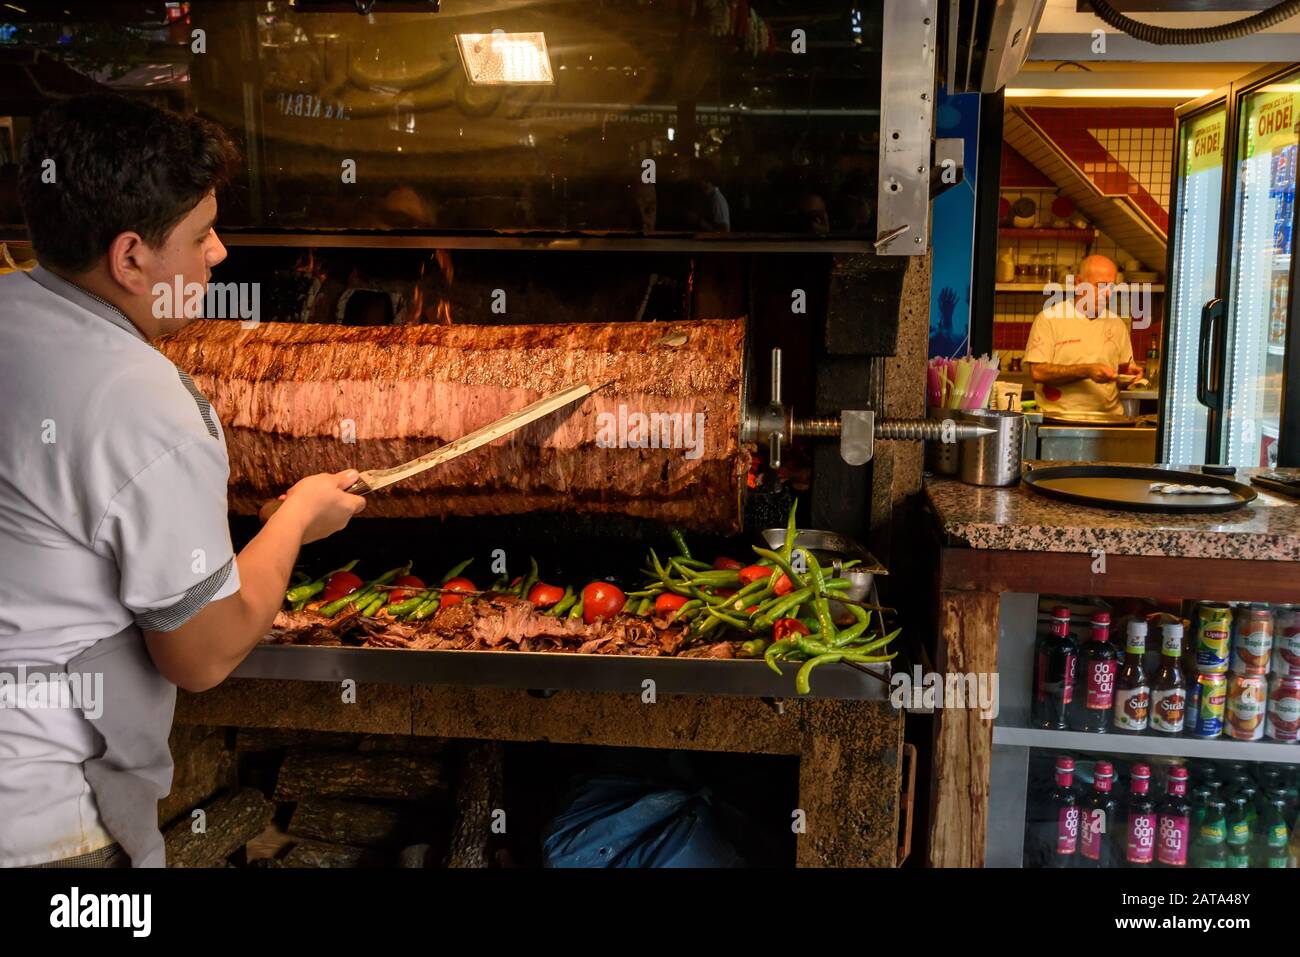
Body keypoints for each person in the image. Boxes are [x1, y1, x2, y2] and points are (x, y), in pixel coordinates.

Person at [0, 94, 365, 868]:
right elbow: (201, 655)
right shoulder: (138, 398)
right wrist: (296, 519)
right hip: (45, 827)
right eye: (201, 235)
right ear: (131, 257)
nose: (220, 253)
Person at [1022, 254, 1145, 416]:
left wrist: (1129, 376)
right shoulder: (1049, 318)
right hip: (1059, 420)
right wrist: (1086, 371)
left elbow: (1120, 376)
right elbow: (1038, 372)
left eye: (1111, 287)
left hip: (1109, 420)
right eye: (1100, 286)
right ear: (1079, 283)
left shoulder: (1117, 325)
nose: (1107, 294)